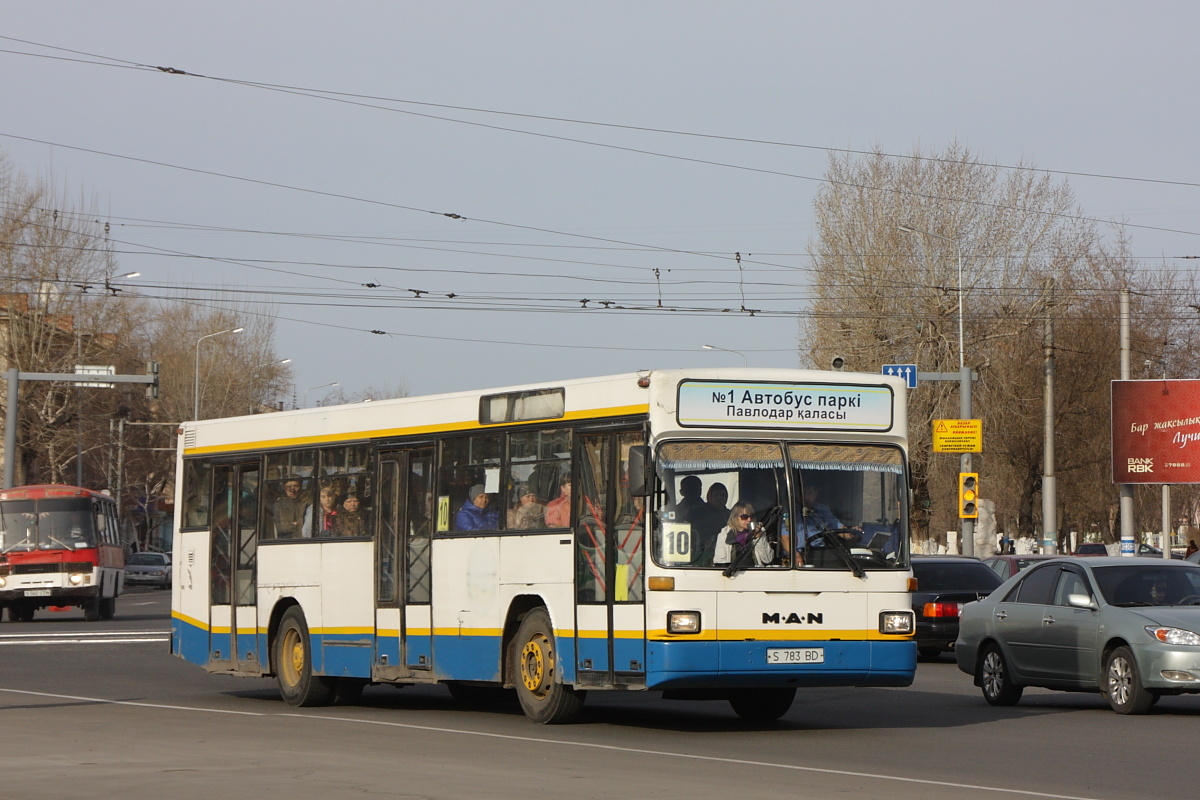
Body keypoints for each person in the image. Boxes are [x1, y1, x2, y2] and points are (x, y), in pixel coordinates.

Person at [713, 502, 773, 569]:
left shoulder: (759, 532)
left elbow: (767, 559)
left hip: (755, 573)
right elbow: (720, 563)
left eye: (751, 516)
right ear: (735, 518)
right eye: (744, 517)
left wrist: (758, 538)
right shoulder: (724, 535)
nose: (749, 520)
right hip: (733, 575)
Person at [689, 482, 729, 566]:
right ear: (709, 497)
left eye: (722, 495)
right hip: (701, 553)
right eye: (716, 495)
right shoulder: (698, 513)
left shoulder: (730, 514)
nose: (719, 498)